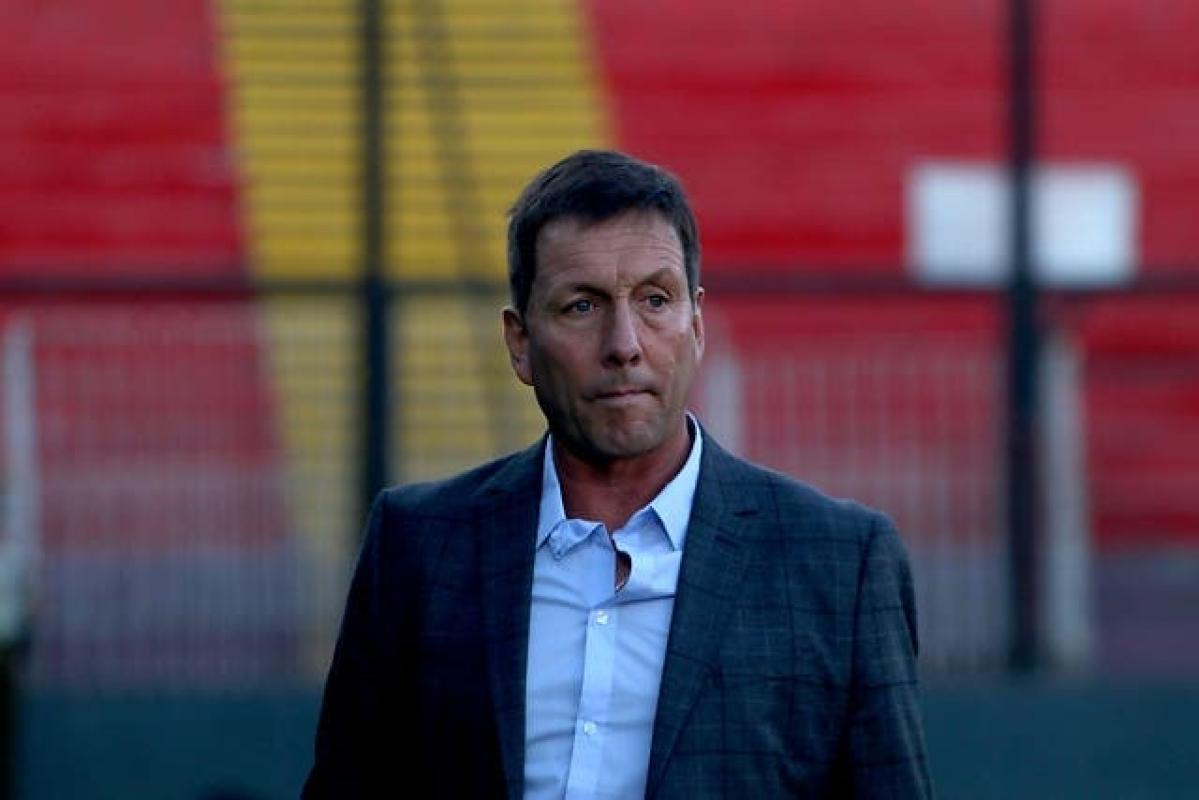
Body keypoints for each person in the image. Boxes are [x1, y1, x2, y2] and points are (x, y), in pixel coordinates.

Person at [303, 150, 932, 798]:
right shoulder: (418, 546)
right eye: (582, 306)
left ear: (696, 324)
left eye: (655, 299)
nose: (624, 343)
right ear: (520, 343)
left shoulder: (839, 561)